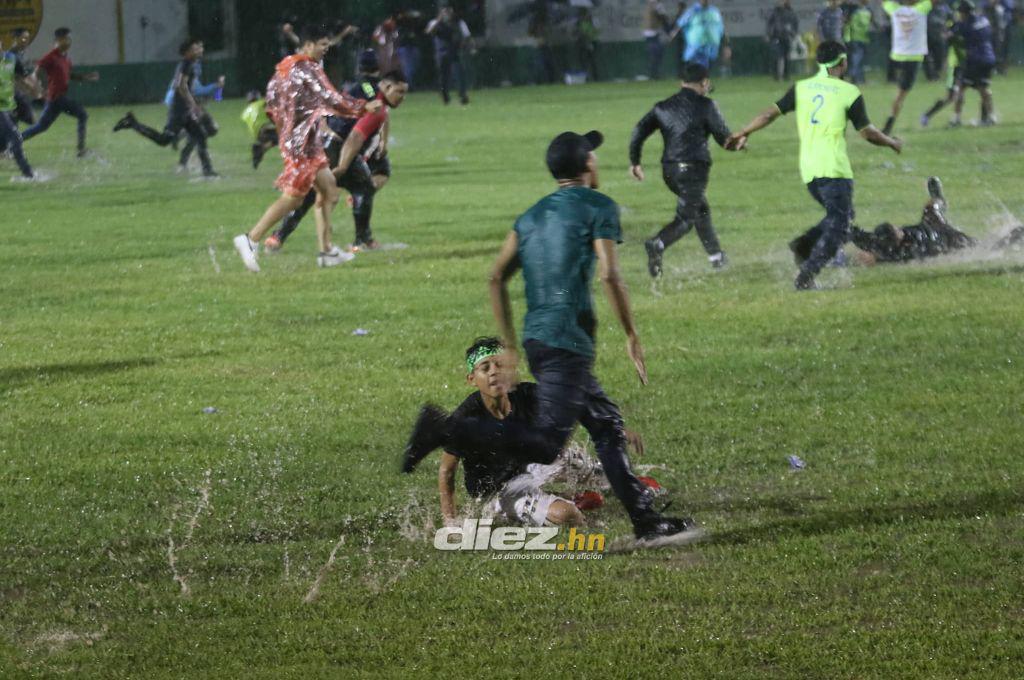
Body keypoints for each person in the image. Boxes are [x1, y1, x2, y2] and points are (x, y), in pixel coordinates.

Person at [403, 130, 704, 547]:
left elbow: (495, 277)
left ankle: (645, 519)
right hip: (566, 343)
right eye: (594, 156)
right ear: (587, 166)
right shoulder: (598, 206)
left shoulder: (530, 216)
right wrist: (632, 334)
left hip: (540, 339)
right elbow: (610, 273)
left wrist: (509, 344)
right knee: (546, 444)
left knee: (606, 425)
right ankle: (445, 430)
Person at [727, 41, 903, 290]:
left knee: (841, 217)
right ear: (842, 62)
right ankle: (806, 276)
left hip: (809, 171)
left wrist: (743, 131)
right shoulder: (848, 92)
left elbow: (769, 114)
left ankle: (803, 245)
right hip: (834, 169)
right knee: (840, 226)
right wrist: (892, 142)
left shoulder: (801, 88)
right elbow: (867, 133)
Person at [231, 25, 378, 272]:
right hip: (301, 145)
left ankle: (326, 252)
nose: (325, 50)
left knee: (330, 191)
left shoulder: (284, 67)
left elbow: (272, 101)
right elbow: (330, 98)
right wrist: (362, 107)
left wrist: (285, 127)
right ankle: (250, 239)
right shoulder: (307, 68)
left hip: (299, 140)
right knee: (294, 197)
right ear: (308, 44)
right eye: (322, 45)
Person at [434, 337, 607, 528]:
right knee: (567, 515)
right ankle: (566, 504)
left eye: (499, 365)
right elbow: (446, 471)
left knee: (575, 460)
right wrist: (450, 523)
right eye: (485, 368)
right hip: (500, 488)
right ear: (472, 379)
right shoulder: (464, 420)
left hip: (526, 464)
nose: (494, 371)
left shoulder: (525, 394)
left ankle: (619, 483)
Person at [266, 70, 408, 253]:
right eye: (400, 92)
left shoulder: (366, 90)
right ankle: (362, 241)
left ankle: (277, 238)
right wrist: (343, 166)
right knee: (364, 188)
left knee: (308, 193)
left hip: (319, 142)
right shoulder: (377, 106)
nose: (403, 97)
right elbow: (354, 138)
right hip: (336, 147)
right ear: (387, 86)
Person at [629, 62, 739, 277]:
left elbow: (639, 130)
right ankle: (657, 243)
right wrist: (738, 143)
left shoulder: (662, 106)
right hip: (693, 171)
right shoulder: (707, 105)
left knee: (701, 210)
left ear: (681, 82)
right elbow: (724, 139)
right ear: (704, 82)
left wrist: (635, 162)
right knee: (686, 219)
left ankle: (716, 256)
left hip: (669, 171)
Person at [112, 39, 218, 178]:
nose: (198, 50)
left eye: (198, 48)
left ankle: (207, 171)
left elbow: (182, 86)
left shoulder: (188, 63)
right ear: (187, 53)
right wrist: (194, 105)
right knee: (164, 140)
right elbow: (181, 86)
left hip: (184, 110)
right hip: (179, 111)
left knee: (200, 135)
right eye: (194, 49)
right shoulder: (186, 64)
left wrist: (192, 104)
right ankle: (132, 123)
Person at [20, 28, 98, 158]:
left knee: (41, 126)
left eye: (70, 39)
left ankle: (13, 141)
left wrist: (85, 77)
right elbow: (37, 70)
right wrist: (35, 84)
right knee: (82, 114)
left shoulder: (66, 58)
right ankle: (81, 150)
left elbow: (68, 75)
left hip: (56, 100)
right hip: (56, 97)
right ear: (58, 40)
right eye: (66, 38)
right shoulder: (51, 56)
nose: (69, 41)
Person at [881, 1, 933, 135]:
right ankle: (889, 123)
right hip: (913, 58)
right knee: (900, 95)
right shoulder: (922, 9)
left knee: (898, 93)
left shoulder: (895, 9)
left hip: (896, 56)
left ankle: (889, 121)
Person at [950, 0, 997, 127]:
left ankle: (956, 119)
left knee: (960, 88)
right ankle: (991, 117)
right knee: (984, 88)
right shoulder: (984, 20)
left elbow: (950, 34)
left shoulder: (964, 25)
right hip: (989, 57)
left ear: (964, 13)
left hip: (975, 60)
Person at [1, 35, 37, 180]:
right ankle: (29, 175)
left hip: (8, 107)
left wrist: (33, 89)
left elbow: (21, 78)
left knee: (5, 146)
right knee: (15, 138)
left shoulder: (10, 59)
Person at [920, 22, 966, 126]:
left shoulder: (963, 32)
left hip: (964, 66)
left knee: (963, 93)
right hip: (954, 67)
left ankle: (957, 119)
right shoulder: (954, 36)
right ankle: (927, 115)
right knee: (951, 96)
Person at [426, 4, 472, 105]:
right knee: (444, 76)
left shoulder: (459, 22)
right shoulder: (435, 23)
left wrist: (463, 45)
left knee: (459, 74)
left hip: (455, 51)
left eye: (449, 12)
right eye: (445, 12)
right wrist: (439, 20)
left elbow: (467, 36)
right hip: (441, 52)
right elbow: (429, 32)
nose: (447, 15)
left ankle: (462, 95)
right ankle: (445, 97)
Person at [666, 0, 724, 69]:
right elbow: (681, 23)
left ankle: (703, 76)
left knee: (707, 63)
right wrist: (672, 35)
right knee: (694, 61)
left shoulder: (714, 11)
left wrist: (722, 37)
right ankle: (694, 75)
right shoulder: (692, 11)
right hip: (696, 44)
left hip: (710, 43)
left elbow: (719, 26)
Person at [241, 89, 278, 169]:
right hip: (266, 129)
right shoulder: (261, 103)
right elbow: (270, 113)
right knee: (284, 137)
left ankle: (259, 151)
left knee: (275, 140)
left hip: (257, 134)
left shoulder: (245, 112)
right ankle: (261, 149)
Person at [9, 28, 38, 127]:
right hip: (12, 94)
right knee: (32, 120)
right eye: (23, 38)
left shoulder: (20, 54)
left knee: (15, 123)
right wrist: (32, 88)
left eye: (27, 38)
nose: (26, 41)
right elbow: (18, 77)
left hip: (16, 94)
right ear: (16, 39)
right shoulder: (13, 56)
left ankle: (13, 118)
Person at [766, 0, 800, 81]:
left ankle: (786, 76)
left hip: (787, 37)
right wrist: (768, 34)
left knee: (787, 57)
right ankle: (777, 76)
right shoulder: (775, 12)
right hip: (776, 37)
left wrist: (793, 33)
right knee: (778, 56)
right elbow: (769, 24)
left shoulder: (791, 12)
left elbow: (795, 24)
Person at [845, 0, 876, 84]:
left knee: (860, 60)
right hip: (855, 38)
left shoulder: (868, 10)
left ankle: (860, 78)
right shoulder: (853, 10)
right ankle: (855, 77)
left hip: (864, 38)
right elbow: (847, 21)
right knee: (857, 58)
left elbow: (872, 21)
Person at [925, 0, 955, 79]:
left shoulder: (944, 7)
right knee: (926, 57)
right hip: (926, 35)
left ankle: (937, 72)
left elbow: (951, 20)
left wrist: (948, 29)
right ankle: (930, 75)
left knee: (939, 56)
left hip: (940, 35)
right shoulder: (924, 6)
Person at [644, 1, 671, 80]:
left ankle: (654, 74)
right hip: (654, 33)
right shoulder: (657, 5)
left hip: (649, 33)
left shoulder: (650, 4)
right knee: (656, 54)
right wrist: (668, 30)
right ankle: (654, 74)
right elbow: (663, 18)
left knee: (654, 54)